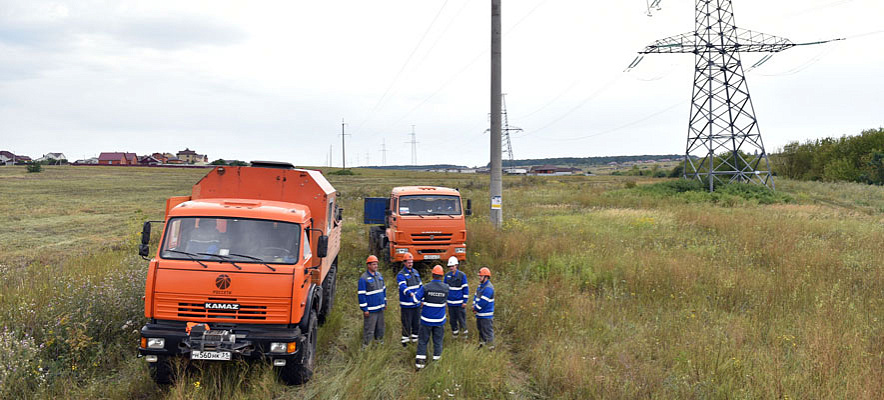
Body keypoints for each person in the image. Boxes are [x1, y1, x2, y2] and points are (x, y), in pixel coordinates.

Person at [413, 265, 449, 369]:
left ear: (432, 275)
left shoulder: (426, 287)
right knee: (438, 342)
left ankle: (420, 364)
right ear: (442, 276)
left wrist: (423, 301)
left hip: (426, 321)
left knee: (423, 342)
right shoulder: (446, 288)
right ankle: (436, 364)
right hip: (439, 321)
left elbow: (415, 299)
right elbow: (445, 301)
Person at [358, 255, 386, 347]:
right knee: (369, 329)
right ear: (368, 265)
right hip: (371, 310)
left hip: (380, 308)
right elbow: (361, 295)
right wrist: (365, 309)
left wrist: (384, 302)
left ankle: (379, 345)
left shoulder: (379, 276)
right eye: (374, 264)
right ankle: (366, 347)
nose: (376, 266)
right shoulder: (363, 278)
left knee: (380, 328)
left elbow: (383, 290)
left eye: (376, 264)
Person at [396, 252, 422, 347]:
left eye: (411, 262)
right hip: (407, 305)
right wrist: (410, 293)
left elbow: (420, 286)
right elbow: (403, 286)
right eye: (408, 262)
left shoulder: (415, 272)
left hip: (416, 304)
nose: (410, 264)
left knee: (416, 323)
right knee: (406, 324)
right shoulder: (401, 274)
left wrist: (421, 299)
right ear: (404, 263)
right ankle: (405, 343)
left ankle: (415, 341)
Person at [443, 256, 469, 337]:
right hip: (451, 303)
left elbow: (465, 288)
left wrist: (465, 301)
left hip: (459, 303)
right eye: (450, 266)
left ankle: (464, 335)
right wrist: (445, 300)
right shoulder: (447, 276)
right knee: (452, 320)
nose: (451, 268)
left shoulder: (462, 275)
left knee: (461, 320)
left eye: (452, 266)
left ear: (456, 265)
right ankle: (455, 334)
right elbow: (445, 289)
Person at [472, 267, 495, 348]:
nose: (479, 278)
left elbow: (483, 302)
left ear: (486, 277)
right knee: (481, 331)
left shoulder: (489, 288)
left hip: (486, 315)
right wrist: (474, 305)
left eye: (481, 276)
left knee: (487, 332)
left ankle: (490, 348)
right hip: (479, 314)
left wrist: (476, 308)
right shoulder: (480, 286)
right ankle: (481, 346)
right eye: (479, 276)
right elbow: (475, 296)